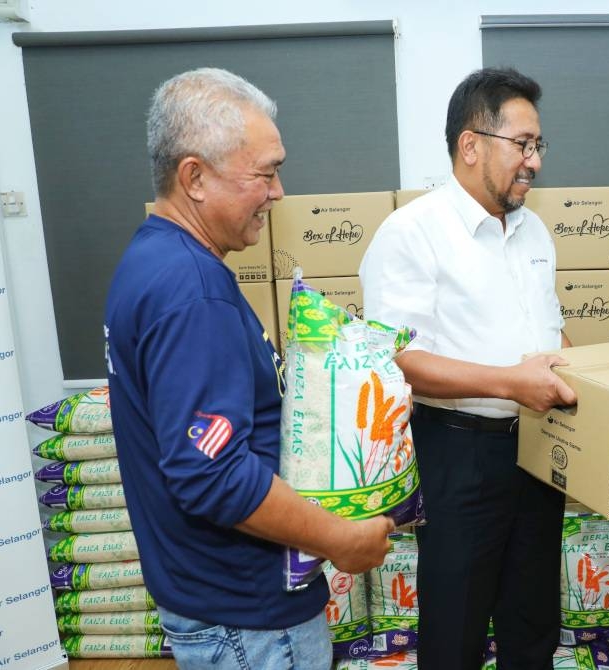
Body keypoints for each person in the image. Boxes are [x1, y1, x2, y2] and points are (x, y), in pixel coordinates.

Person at [104, 67, 394, 669]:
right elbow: (210, 475)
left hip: (217, 605)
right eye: (264, 173)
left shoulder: (152, 258)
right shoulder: (193, 290)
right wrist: (339, 540)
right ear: (195, 177)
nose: (279, 191)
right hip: (247, 623)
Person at [360, 67, 577, 669]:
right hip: (459, 454)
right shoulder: (412, 233)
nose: (534, 161)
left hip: (537, 449)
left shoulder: (534, 229)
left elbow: (547, 328)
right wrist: (512, 382)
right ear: (471, 144)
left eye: (539, 146)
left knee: (532, 620)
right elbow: (398, 360)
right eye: (523, 144)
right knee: (455, 626)